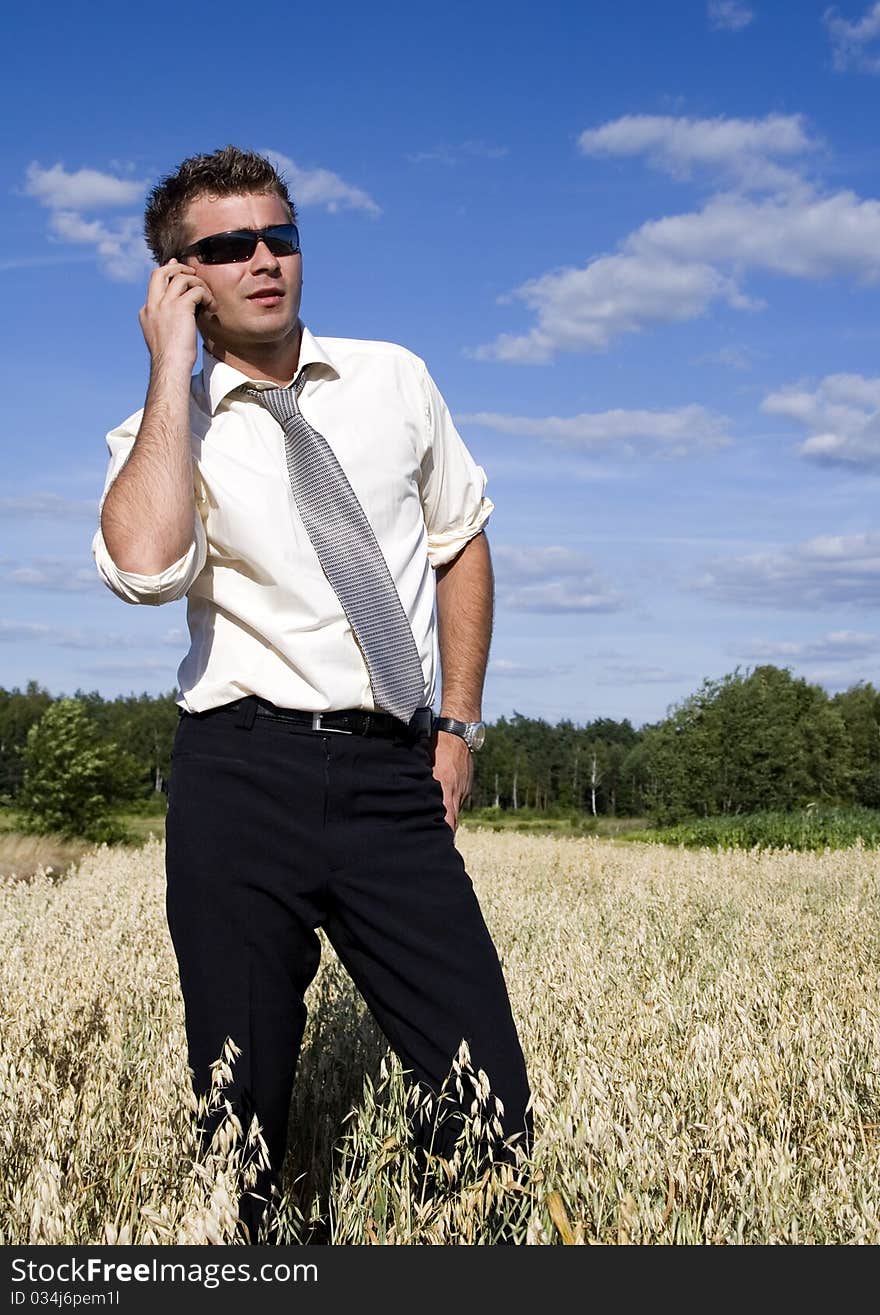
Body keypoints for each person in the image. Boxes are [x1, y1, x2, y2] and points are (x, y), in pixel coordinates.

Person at [91, 145, 532, 1243]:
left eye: (279, 235)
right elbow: (145, 568)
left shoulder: (395, 378)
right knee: (239, 1112)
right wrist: (170, 370)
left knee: (484, 1094)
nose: (264, 259)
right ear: (179, 277)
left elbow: (460, 539)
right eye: (227, 246)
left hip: (393, 772)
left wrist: (459, 723)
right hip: (241, 776)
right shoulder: (163, 432)